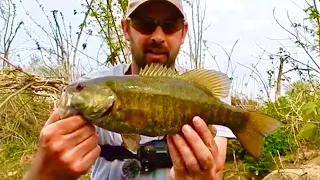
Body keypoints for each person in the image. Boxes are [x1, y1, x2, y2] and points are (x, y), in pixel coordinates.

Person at [22, 0, 235, 179]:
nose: (158, 36)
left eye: (170, 25)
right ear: (126, 28)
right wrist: (43, 172)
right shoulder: (92, 83)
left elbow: (215, 167)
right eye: (145, 24)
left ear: (183, 32)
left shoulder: (207, 93)